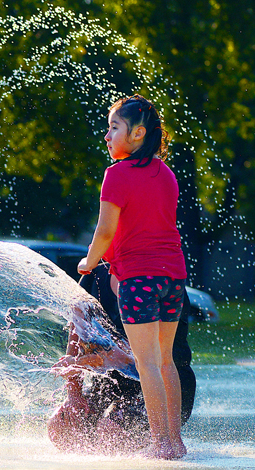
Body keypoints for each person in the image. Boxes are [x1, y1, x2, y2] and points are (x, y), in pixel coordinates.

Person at [76, 94, 188, 459]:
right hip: (173, 278)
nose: (106, 137)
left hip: (140, 279)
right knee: (166, 360)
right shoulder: (166, 174)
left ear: (138, 133)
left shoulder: (117, 174)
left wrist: (89, 263)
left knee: (147, 363)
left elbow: (106, 230)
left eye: (114, 128)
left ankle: (160, 445)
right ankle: (176, 443)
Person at [48, 263, 196, 454]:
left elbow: (127, 357)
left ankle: (159, 448)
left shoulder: (160, 281)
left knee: (111, 432)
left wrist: (83, 362)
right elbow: (76, 341)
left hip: (162, 383)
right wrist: (74, 395)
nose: (94, 243)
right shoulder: (93, 277)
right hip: (113, 384)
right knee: (61, 428)